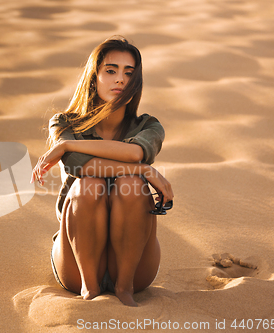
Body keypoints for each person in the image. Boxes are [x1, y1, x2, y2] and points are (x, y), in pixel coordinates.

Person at [30, 36, 174, 307]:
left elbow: (135, 152)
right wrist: (146, 172)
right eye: (111, 70)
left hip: (135, 265)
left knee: (130, 184)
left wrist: (68, 144)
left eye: (128, 73)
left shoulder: (149, 127)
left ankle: (124, 287)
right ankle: (90, 288)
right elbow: (78, 166)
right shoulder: (63, 123)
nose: (120, 79)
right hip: (76, 259)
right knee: (89, 184)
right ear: (94, 77)